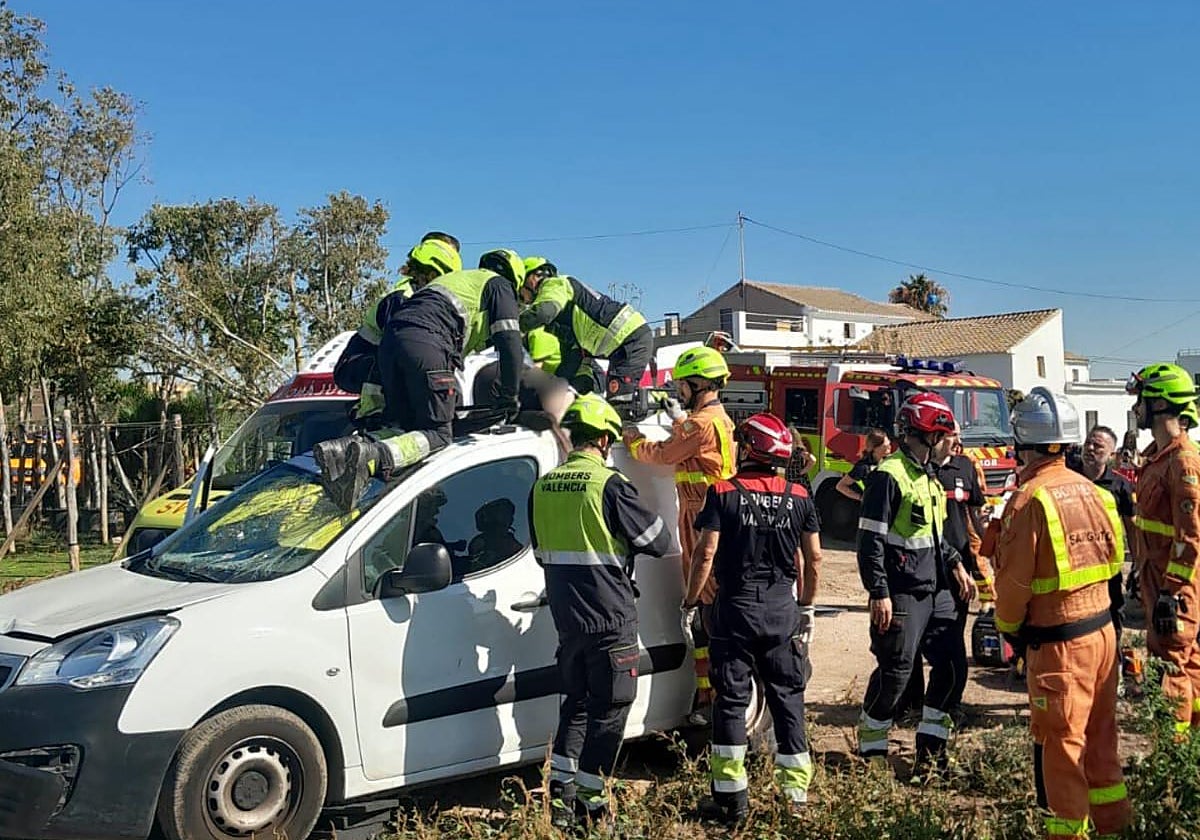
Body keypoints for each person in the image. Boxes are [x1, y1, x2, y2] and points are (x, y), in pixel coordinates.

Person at [528, 394, 672, 829]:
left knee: (575, 706)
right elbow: (659, 541)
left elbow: (540, 552)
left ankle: (561, 800)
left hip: (568, 620)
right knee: (610, 711)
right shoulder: (609, 485)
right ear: (606, 440)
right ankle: (592, 809)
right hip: (611, 618)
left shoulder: (542, 486)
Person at [993, 388, 1131, 839]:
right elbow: (1115, 565)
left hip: (1060, 647)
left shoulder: (1029, 499)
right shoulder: (1098, 493)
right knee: (1102, 743)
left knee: (1062, 752)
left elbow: (1012, 588)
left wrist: (1009, 630)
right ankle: (1115, 830)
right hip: (1104, 635)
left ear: (1022, 443)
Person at [685, 413, 823, 825]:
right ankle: (795, 798)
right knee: (787, 700)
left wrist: (691, 602)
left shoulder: (722, 492)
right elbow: (814, 558)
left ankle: (731, 802)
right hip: (783, 610)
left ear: (747, 450)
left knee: (731, 701)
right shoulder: (800, 495)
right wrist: (807, 608)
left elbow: (705, 553)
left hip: (735, 611)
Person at [315, 249, 526, 510]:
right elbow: (509, 341)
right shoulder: (498, 285)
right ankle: (374, 456)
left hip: (392, 346)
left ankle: (342, 450)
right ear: (513, 280)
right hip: (427, 343)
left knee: (406, 429)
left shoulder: (457, 283)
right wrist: (510, 395)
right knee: (438, 434)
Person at [856, 392, 975, 764]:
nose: (951, 445)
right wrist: (879, 592)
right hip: (901, 591)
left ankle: (931, 750)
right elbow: (870, 541)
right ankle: (872, 748)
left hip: (936, 588)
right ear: (930, 436)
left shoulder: (928, 476)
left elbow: (934, 535)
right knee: (897, 673)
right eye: (946, 437)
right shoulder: (888, 477)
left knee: (953, 666)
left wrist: (956, 564)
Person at [623, 346, 736, 722]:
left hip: (702, 515)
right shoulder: (712, 419)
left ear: (698, 383)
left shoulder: (703, 424)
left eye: (683, 386)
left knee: (709, 609)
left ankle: (716, 697)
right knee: (706, 613)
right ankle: (706, 695)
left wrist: (632, 439)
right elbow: (689, 442)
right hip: (700, 513)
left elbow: (664, 455)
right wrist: (677, 419)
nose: (678, 392)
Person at [1126, 363, 1200, 734]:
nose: (1137, 407)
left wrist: (1171, 594)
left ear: (1160, 405)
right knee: (1189, 664)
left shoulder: (1183, 461)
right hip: (1155, 579)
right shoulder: (1157, 455)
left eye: (1142, 399)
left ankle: (1173, 755)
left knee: (1170, 662)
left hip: (1175, 587)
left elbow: (1191, 539)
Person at [334, 233, 462, 425]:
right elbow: (399, 351)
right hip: (357, 364)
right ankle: (376, 414)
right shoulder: (402, 298)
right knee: (402, 361)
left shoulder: (430, 302)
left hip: (381, 362)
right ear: (431, 274)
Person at [518, 257, 654, 399]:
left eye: (521, 294)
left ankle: (661, 405)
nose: (524, 301)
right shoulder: (568, 316)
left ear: (533, 277)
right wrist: (561, 389)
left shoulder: (555, 284)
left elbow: (543, 312)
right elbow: (572, 358)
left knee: (623, 405)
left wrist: (512, 326)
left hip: (630, 339)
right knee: (616, 404)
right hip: (623, 344)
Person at [1067, 425, 1136, 644]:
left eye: (1098, 446)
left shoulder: (1120, 486)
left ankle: (1113, 665)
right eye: (1088, 442)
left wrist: (1137, 563)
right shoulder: (1067, 477)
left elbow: (1131, 527)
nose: (1090, 448)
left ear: (1111, 455)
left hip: (1107, 567)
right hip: (1073, 564)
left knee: (1112, 614)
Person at [836, 429, 892, 503]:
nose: (890, 447)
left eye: (889, 443)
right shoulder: (863, 467)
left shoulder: (890, 461)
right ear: (875, 448)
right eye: (886, 445)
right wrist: (861, 497)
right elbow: (841, 486)